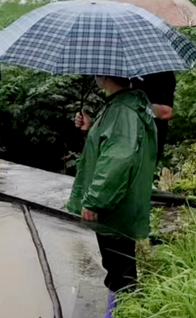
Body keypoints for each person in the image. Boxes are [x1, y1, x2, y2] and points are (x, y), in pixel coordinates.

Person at [68, 76, 157, 317]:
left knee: (120, 270)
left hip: (115, 203)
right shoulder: (129, 104)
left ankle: (123, 312)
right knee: (120, 266)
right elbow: (115, 146)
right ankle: (119, 310)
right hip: (124, 199)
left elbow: (118, 159)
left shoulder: (122, 111)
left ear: (105, 74)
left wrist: (95, 199)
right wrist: (91, 127)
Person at [132, 72, 175, 165]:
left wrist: (141, 105)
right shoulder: (128, 70)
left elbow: (167, 112)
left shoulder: (164, 74)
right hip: (127, 134)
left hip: (150, 136)